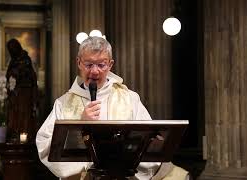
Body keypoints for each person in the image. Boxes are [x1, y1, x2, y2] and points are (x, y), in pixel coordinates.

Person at [36, 36, 189, 180]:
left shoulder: (129, 98)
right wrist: (80, 125)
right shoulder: (63, 103)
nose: (94, 71)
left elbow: (149, 143)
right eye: (89, 64)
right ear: (79, 63)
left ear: (110, 64)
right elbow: (45, 145)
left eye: (101, 64)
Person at [6, 38, 38, 141]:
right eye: (10, 49)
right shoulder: (13, 61)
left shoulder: (26, 59)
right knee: (14, 116)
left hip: (25, 93)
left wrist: (17, 74)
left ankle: (23, 137)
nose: (12, 50)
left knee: (24, 115)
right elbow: (9, 74)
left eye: (13, 48)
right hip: (15, 94)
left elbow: (30, 77)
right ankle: (15, 135)